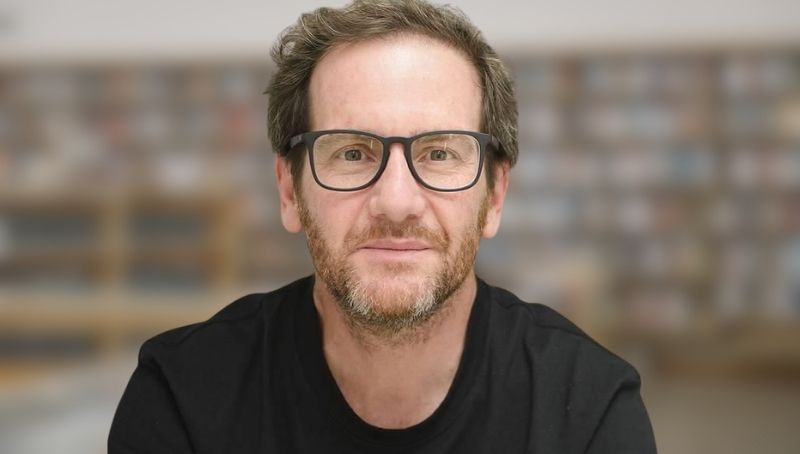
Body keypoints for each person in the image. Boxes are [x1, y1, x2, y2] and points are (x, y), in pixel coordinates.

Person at [109, 1, 656, 452]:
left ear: (494, 196)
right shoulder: (181, 399)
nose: (396, 202)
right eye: (352, 153)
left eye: (439, 153)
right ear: (288, 190)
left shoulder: (590, 410)